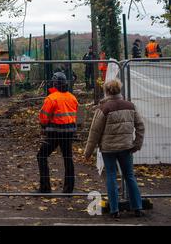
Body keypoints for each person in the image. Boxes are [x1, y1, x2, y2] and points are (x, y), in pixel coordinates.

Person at [84, 78, 145, 218]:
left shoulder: (103, 109)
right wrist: (137, 144)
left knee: (111, 176)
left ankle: (114, 209)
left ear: (106, 91)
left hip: (108, 149)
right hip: (126, 147)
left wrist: (88, 152)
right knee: (129, 176)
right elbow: (140, 126)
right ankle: (137, 207)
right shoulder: (130, 106)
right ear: (119, 90)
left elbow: (94, 132)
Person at [37, 72, 78, 193]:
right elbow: (78, 116)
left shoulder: (51, 98)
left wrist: (44, 127)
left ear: (55, 84)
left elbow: (43, 118)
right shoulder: (72, 97)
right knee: (68, 158)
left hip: (54, 133)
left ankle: (45, 188)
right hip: (69, 133)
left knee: (41, 156)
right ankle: (68, 189)